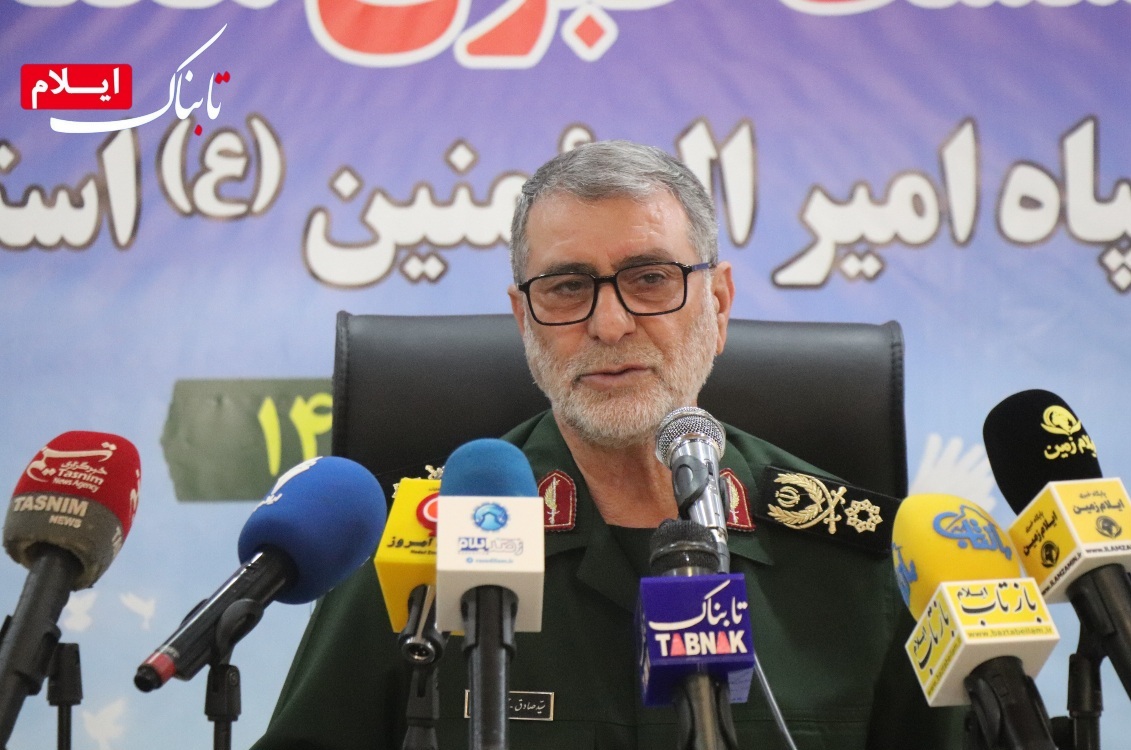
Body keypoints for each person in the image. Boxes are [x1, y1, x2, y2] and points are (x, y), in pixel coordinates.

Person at [252, 141, 964, 749]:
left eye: (650, 279)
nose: (611, 323)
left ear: (717, 305)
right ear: (523, 320)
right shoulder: (419, 550)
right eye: (566, 287)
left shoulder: (859, 564)